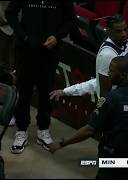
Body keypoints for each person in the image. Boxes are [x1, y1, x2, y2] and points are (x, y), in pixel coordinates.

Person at [48, 56, 128, 179]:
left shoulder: (110, 99)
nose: (108, 74)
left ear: (124, 75)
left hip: (116, 162)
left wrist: (62, 143)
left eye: (112, 71)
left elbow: (90, 130)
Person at [5, 1, 75, 154]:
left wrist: (57, 36)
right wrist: (23, 36)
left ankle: (43, 129)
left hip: (50, 52)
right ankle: (21, 131)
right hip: (25, 50)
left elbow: (71, 20)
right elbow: (10, 13)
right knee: (23, 92)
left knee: (46, 91)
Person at [49, 15, 128, 100]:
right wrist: (67, 91)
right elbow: (101, 87)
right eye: (119, 31)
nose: (124, 34)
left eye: (125, 29)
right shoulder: (107, 55)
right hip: (117, 101)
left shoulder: (126, 44)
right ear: (109, 31)